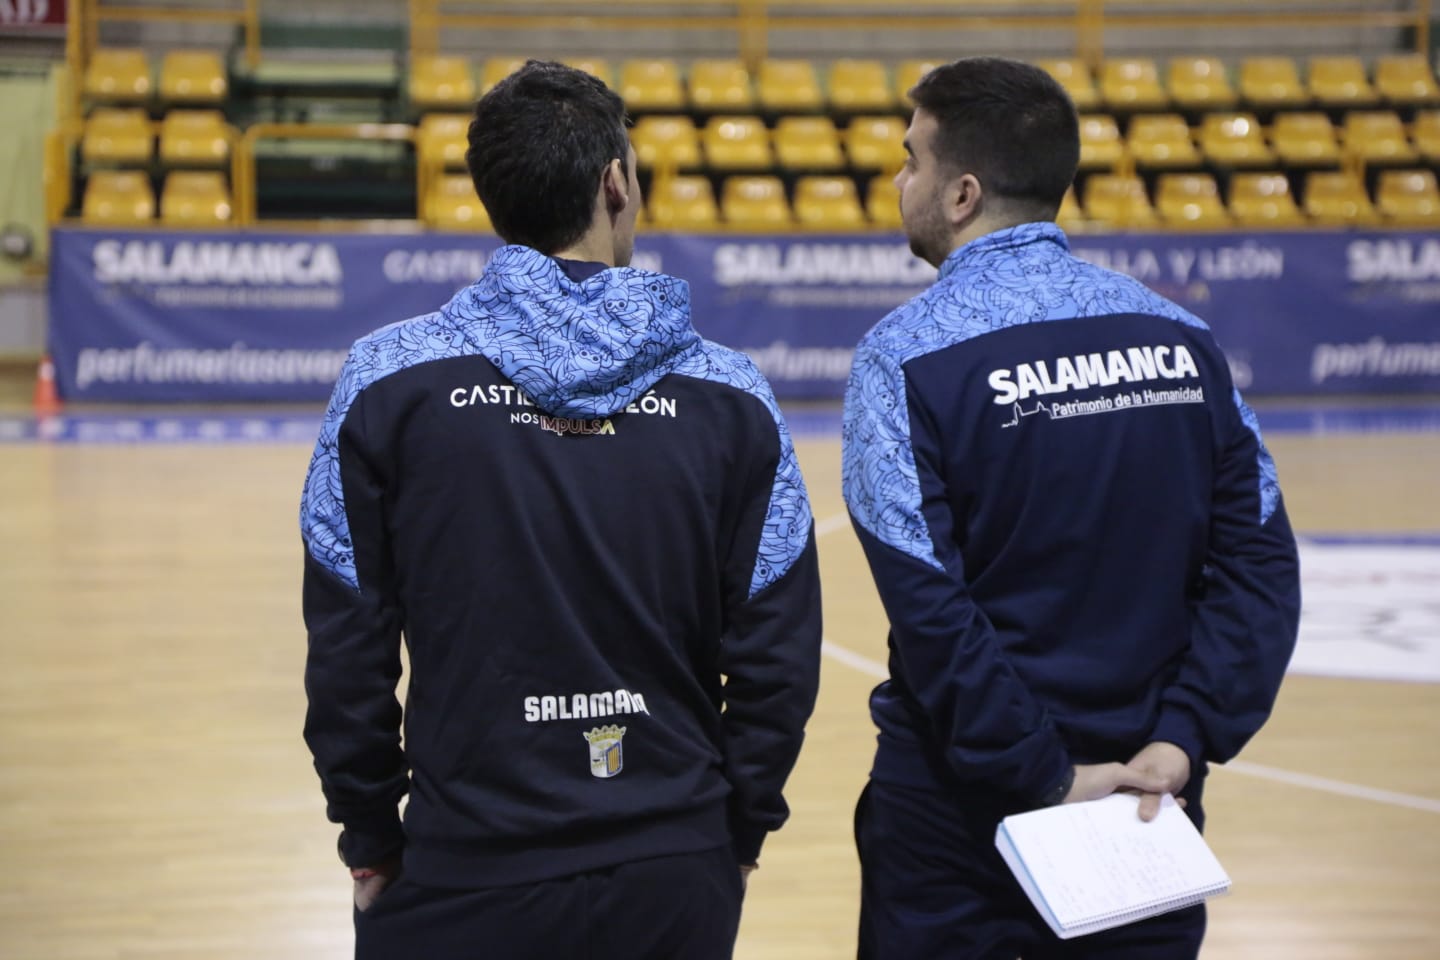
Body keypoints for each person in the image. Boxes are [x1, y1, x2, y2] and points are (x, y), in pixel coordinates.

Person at [300, 60, 823, 960]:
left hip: (459, 866)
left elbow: (346, 645)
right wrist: (737, 827)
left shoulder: (386, 382)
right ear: (616, 183)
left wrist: (370, 833)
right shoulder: (732, 394)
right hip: (674, 864)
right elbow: (778, 655)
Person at [842, 56, 1301, 959]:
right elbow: (1261, 561)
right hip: (1147, 796)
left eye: (910, 161)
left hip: (958, 825)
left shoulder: (900, 359)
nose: (898, 181)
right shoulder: (1183, 339)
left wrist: (1042, 776)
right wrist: (1185, 736)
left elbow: (929, 603)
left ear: (962, 192)